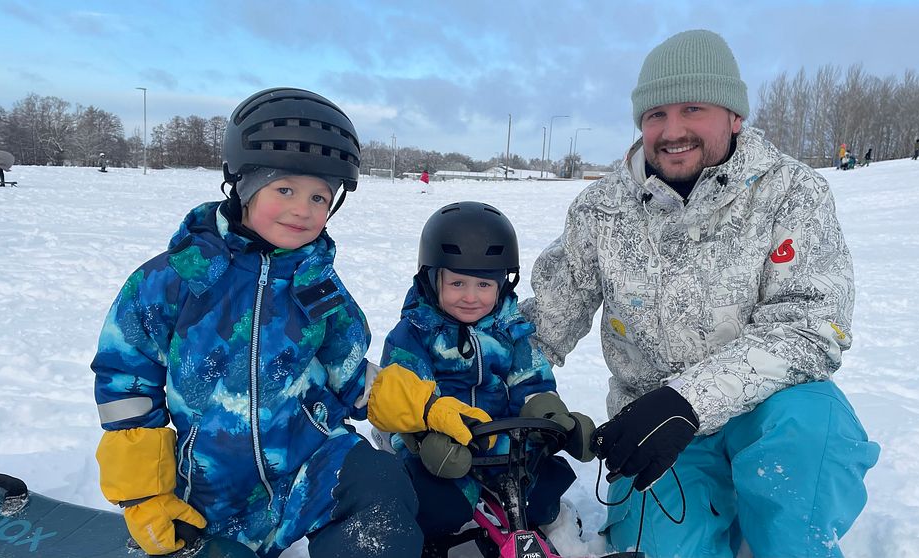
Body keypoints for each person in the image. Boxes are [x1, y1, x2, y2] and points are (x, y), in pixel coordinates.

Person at [520, 29, 880, 558]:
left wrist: (689, 399)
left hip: (766, 414)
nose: (673, 130)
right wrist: (451, 382)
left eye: (693, 108)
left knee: (809, 429)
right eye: (655, 115)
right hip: (653, 433)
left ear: (734, 115)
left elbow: (812, 328)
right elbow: (544, 322)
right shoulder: (601, 210)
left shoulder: (793, 193)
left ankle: (777, 533)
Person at [91, 87, 422, 558]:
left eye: (319, 197)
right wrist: (145, 490)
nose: (302, 209)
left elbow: (349, 371)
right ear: (243, 184)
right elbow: (126, 382)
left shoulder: (319, 286)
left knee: (382, 488)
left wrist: (425, 409)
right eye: (284, 189)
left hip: (307, 465)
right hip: (208, 486)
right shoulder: (174, 279)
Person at [367, 201, 596, 557]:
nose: (471, 297)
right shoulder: (413, 335)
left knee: (545, 485)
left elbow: (530, 380)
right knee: (438, 503)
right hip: (442, 447)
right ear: (432, 278)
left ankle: (544, 519)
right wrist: (422, 442)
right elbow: (404, 403)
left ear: (503, 284)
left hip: (502, 444)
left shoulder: (510, 331)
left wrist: (551, 417)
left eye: (483, 284)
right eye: (457, 282)